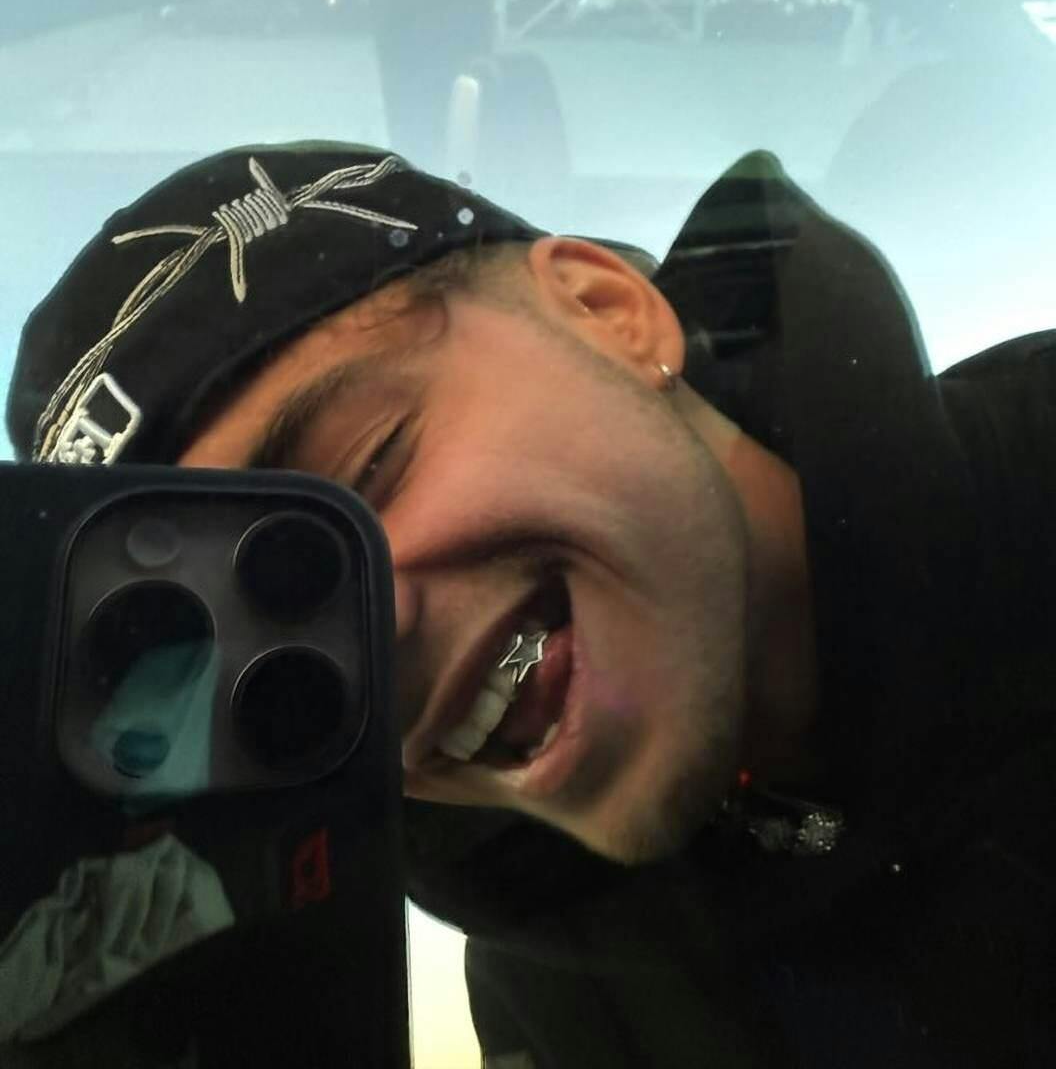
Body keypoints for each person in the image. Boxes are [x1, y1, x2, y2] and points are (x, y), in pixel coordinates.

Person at [7, 142, 1056, 1067]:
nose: (367, 632)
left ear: (607, 312)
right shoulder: (557, 1000)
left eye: (368, 470)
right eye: (261, 669)